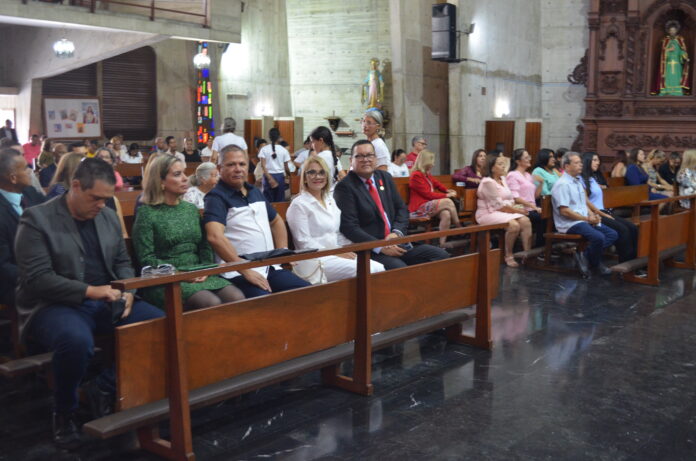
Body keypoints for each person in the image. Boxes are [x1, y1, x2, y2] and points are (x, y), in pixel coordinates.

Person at [14, 158, 164, 449]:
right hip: (53, 304)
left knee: (159, 322)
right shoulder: (37, 219)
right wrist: (92, 291)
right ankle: (65, 411)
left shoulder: (106, 216)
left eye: (107, 199)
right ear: (75, 186)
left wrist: (129, 290)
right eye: (95, 198)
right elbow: (37, 279)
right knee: (75, 340)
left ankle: (103, 388)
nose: (101, 205)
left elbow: (122, 261)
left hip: (108, 297)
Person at [133, 155, 243, 310]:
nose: (185, 179)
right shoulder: (147, 213)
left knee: (237, 297)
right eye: (177, 174)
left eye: (184, 173)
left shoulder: (190, 209)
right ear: (161, 181)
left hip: (198, 273)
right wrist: (179, 273)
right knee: (211, 303)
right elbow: (146, 259)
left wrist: (206, 269)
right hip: (166, 280)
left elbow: (204, 246)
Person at [204, 145, 310, 298]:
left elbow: (276, 221)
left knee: (307, 292)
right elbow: (215, 237)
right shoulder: (216, 197)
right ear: (220, 168)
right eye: (231, 164)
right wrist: (245, 270)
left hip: (268, 267)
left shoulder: (254, 191)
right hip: (237, 273)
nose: (238, 169)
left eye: (242, 164)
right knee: (264, 303)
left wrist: (282, 251)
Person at [334, 140, 449, 270]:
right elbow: (349, 227)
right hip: (371, 249)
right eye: (359, 156)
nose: (365, 160)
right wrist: (381, 246)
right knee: (398, 268)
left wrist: (396, 233)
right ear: (351, 160)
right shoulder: (345, 187)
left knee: (440, 255)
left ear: (376, 158)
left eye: (369, 155)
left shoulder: (384, 178)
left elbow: (401, 209)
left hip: (397, 241)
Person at [287, 156, 385, 282]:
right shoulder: (299, 204)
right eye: (312, 172)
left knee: (379, 267)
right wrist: (334, 252)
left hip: (335, 253)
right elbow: (304, 242)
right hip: (314, 259)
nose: (318, 176)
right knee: (370, 270)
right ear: (305, 178)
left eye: (322, 172)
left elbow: (336, 232)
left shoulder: (330, 200)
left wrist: (348, 249)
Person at [551, 152, 618, 277]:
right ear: (566, 166)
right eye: (576, 163)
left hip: (583, 220)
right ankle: (596, 264)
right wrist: (587, 218)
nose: (581, 165)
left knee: (612, 234)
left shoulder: (577, 182)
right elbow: (564, 211)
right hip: (569, 223)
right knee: (598, 237)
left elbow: (583, 204)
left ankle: (584, 257)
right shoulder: (562, 184)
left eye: (581, 162)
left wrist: (593, 215)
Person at [0, 148, 46, 306]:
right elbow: (3, 266)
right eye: (26, 167)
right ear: (13, 178)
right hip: (14, 282)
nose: (30, 171)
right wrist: (39, 279)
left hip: (45, 271)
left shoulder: (30, 193)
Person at [581, 152, 639, 264]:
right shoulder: (581, 179)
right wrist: (602, 214)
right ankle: (625, 264)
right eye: (594, 160)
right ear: (587, 161)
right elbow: (585, 202)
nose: (598, 163)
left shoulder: (592, 178)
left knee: (632, 227)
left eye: (598, 160)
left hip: (602, 211)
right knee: (623, 230)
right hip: (594, 213)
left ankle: (634, 261)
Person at [476, 154, 532, 267]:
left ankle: (527, 255)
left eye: (503, 164)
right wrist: (518, 211)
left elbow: (510, 199)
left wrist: (519, 208)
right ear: (492, 168)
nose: (503, 167)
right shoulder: (488, 182)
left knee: (525, 221)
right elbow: (498, 206)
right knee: (514, 225)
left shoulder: (502, 179)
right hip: (487, 213)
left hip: (502, 211)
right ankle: (508, 255)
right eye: (500, 164)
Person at [408, 150, 462, 248]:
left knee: (446, 213)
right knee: (448, 201)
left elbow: (437, 184)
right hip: (419, 208)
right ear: (426, 161)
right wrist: (446, 196)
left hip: (428, 204)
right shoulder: (416, 176)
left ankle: (442, 243)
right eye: (432, 161)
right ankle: (460, 229)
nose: (433, 163)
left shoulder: (426, 174)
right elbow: (428, 194)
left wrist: (447, 191)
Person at [506, 148, 544, 247]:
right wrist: (534, 207)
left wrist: (541, 184)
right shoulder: (512, 175)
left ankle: (541, 247)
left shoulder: (528, 175)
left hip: (532, 208)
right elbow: (515, 198)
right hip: (521, 209)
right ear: (518, 161)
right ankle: (538, 248)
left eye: (529, 157)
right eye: (526, 157)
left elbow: (535, 196)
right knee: (542, 218)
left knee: (548, 217)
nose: (529, 159)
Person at [656, 21, 690, 96]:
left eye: (674, 30)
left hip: (677, 64)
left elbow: (682, 51)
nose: (672, 32)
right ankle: (666, 91)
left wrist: (684, 56)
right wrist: (668, 50)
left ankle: (677, 91)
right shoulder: (665, 41)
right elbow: (663, 53)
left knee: (677, 78)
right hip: (668, 63)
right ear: (668, 31)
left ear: (676, 31)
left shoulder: (680, 40)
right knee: (667, 77)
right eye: (671, 30)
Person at [258, 127, 291, 202]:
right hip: (280, 177)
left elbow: (263, 166)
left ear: (269, 137)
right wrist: (289, 175)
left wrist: (269, 178)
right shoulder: (284, 150)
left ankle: (268, 214)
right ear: (279, 137)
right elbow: (286, 167)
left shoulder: (264, 149)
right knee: (280, 200)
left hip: (267, 176)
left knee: (267, 201)